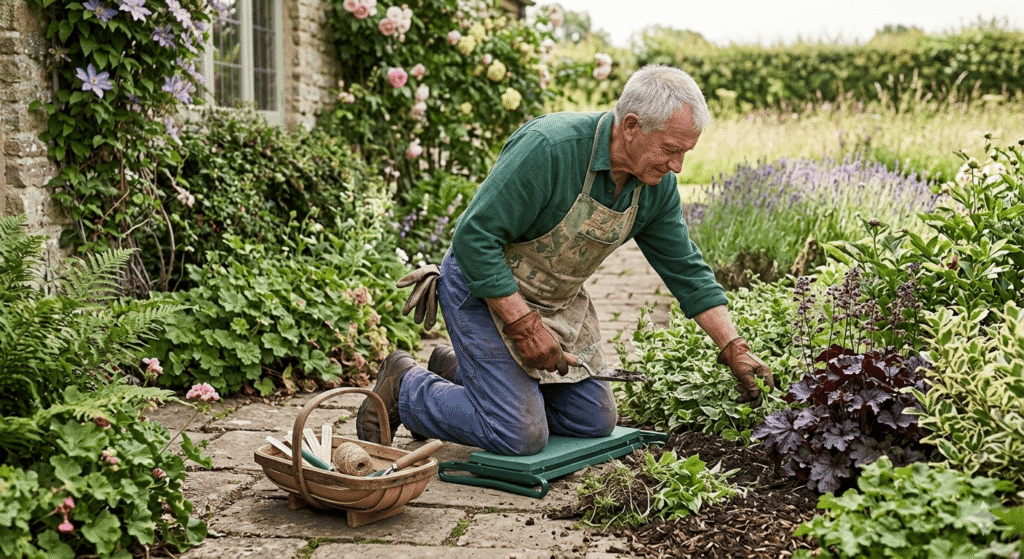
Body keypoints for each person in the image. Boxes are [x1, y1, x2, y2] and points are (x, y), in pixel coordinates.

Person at [356, 64, 775, 456]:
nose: (678, 166)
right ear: (631, 126)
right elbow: (473, 238)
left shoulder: (653, 186)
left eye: (685, 152)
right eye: (670, 149)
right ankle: (406, 387)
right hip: (483, 290)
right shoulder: (550, 149)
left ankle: (462, 374)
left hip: (554, 302)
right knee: (520, 433)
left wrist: (733, 346)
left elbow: (686, 269)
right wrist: (524, 326)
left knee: (593, 420)